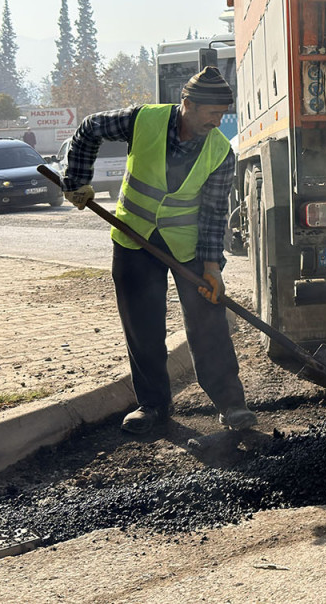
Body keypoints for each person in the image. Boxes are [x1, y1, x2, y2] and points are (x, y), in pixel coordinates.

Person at [61, 67, 256, 435]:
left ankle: (231, 404)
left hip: (188, 246)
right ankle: (153, 406)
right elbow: (89, 128)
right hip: (133, 239)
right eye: (212, 113)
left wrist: (212, 267)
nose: (217, 122)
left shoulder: (220, 151)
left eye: (222, 113)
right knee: (143, 327)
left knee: (209, 323)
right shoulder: (142, 120)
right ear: (187, 104)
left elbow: (214, 213)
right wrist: (76, 180)